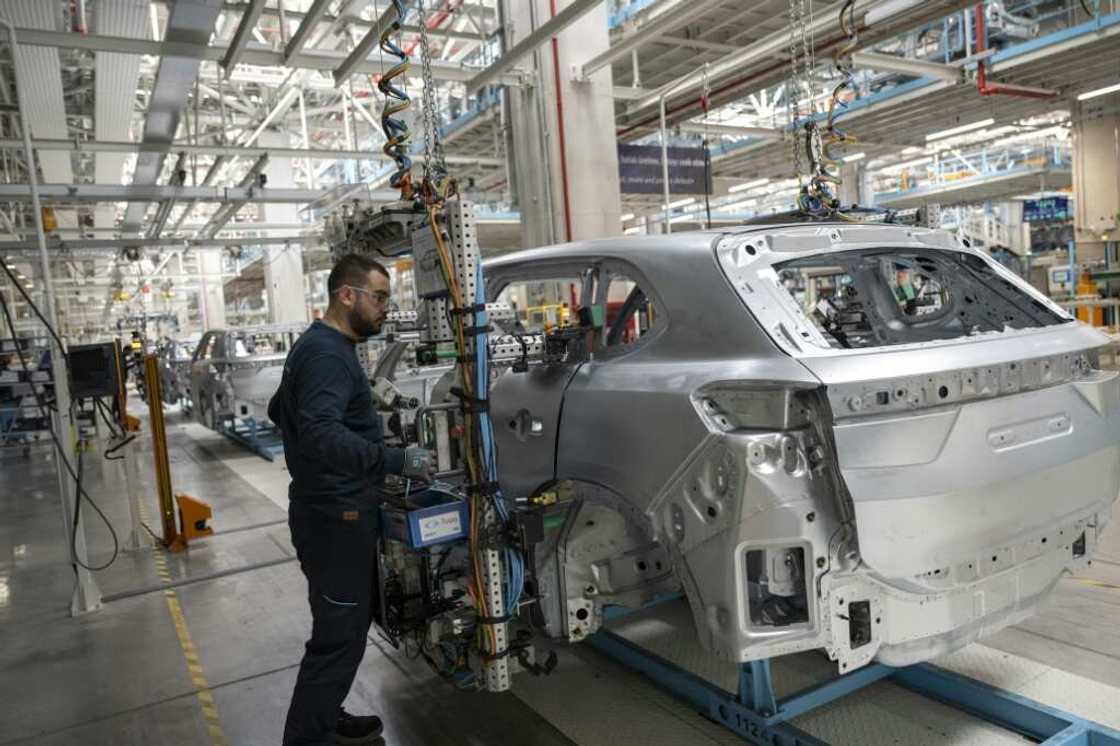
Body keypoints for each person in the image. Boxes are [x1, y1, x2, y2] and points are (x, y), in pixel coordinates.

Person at [268, 253, 436, 745]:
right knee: (337, 634)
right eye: (380, 297)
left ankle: (325, 715)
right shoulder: (326, 355)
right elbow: (319, 433)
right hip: (334, 517)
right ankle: (307, 739)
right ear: (347, 295)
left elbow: (282, 409)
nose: (386, 307)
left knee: (348, 622)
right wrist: (391, 461)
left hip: (331, 510)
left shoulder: (318, 345)